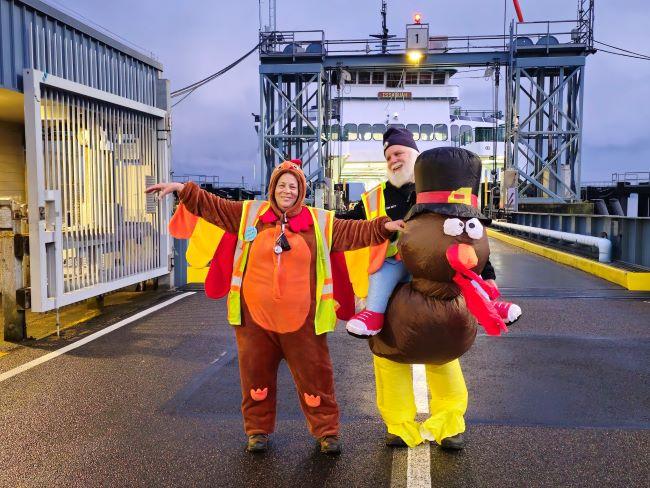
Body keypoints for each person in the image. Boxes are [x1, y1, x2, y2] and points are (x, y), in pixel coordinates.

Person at [146, 160, 403, 455]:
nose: (287, 190)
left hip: (305, 321)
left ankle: (327, 432)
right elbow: (212, 206)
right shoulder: (249, 214)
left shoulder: (320, 221)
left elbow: (355, 231)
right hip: (254, 320)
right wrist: (183, 189)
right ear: (273, 187)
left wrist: (383, 227)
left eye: (293, 186)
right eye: (282, 184)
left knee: (317, 379)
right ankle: (257, 432)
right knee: (255, 379)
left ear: (301, 190)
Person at [336, 128, 520, 449]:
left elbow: (464, 239)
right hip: (389, 292)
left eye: (400, 153)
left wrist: (486, 276)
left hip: (435, 289)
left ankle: (449, 425)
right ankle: (398, 423)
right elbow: (346, 229)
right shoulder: (372, 199)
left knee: (443, 356)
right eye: (390, 155)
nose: (395, 159)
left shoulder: (438, 191)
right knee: (389, 359)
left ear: (414, 155)